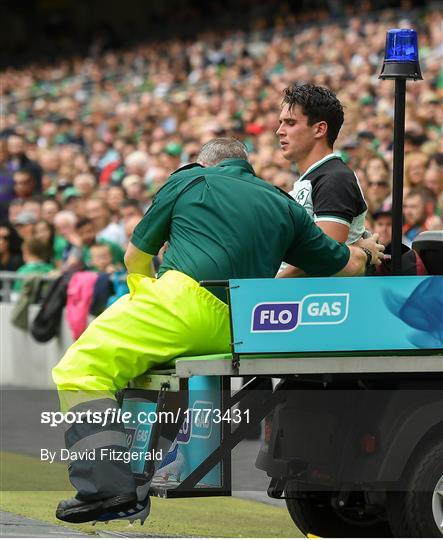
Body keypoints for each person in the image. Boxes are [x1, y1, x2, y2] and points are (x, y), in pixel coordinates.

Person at [53, 138, 384, 525]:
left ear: (205, 163)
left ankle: (108, 487)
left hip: (182, 303)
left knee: (79, 370)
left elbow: (135, 258)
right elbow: (343, 262)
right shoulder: (284, 205)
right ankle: (136, 481)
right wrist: (368, 250)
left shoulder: (191, 180)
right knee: (152, 374)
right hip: (238, 325)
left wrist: (145, 301)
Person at [276, 83, 368, 277]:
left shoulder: (334, 178)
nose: (280, 131)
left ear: (319, 129)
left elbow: (325, 257)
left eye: (290, 123)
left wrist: (271, 283)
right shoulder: (313, 177)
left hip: (318, 302)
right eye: (280, 122)